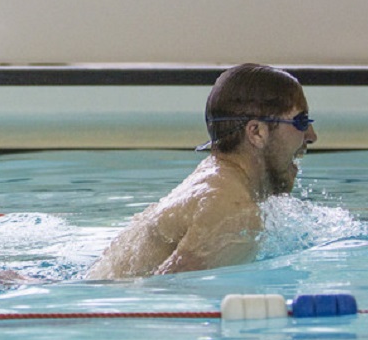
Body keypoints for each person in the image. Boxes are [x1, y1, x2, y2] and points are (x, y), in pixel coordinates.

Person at [87, 63, 317, 278]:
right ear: (256, 132)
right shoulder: (233, 213)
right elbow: (165, 302)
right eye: (301, 121)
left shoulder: (214, 179)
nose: (311, 135)